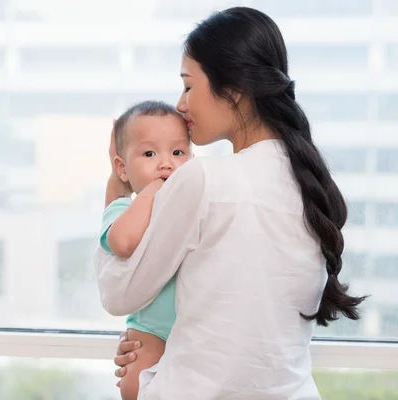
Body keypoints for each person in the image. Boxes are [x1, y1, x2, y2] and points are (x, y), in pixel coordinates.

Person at [94, 6, 366, 399]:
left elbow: (120, 295)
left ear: (233, 90)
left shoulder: (204, 179)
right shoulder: (310, 184)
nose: (181, 104)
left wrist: (115, 198)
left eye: (189, 86)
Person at [101, 100, 191, 400]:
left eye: (178, 152)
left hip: (196, 327)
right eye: (150, 153)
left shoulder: (194, 200)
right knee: (133, 386)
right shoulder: (123, 209)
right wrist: (151, 192)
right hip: (150, 329)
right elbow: (123, 243)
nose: (166, 163)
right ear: (123, 168)